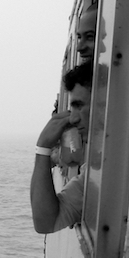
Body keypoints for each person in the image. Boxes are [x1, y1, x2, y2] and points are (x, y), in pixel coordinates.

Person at [30, 61, 93, 233]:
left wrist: (43, 148)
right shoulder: (93, 174)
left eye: (79, 106)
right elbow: (46, 223)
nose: (73, 119)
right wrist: (43, 148)